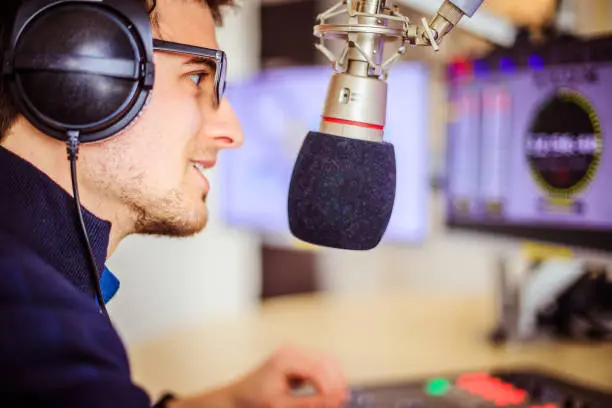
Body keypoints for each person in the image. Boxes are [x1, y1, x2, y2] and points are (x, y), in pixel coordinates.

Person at [0, 0, 350, 407]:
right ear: (77, 72)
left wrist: (229, 403)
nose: (232, 132)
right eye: (197, 76)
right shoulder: (34, 327)